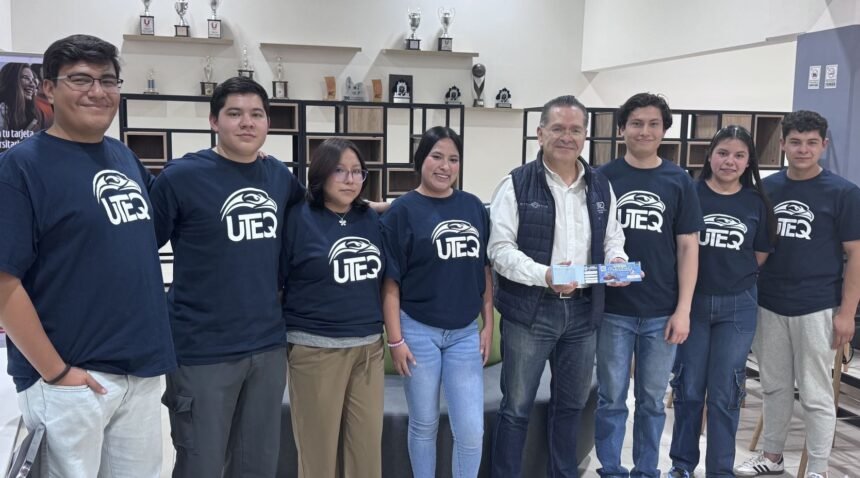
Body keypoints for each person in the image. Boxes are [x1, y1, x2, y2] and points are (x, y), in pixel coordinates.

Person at [0, 34, 175, 477]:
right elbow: (4, 283)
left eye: (108, 80)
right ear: (48, 88)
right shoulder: (21, 167)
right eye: (80, 79)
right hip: (70, 381)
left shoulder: (123, 157)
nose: (98, 91)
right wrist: (57, 373)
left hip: (139, 373)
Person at [149, 76, 303, 477]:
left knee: (258, 465)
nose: (247, 122)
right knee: (201, 463)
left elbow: (316, 222)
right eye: (235, 113)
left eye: (257, 114)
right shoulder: (181, 177)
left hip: (267, 347)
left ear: (268, 123)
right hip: (202, 349)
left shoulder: (279, 177)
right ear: (214, 121)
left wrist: (377, 210)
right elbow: (139, 249)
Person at [488, 95, 628, 478]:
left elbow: (612, 237)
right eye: (558, 128)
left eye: (575, 130)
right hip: (530, 311)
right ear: (540, 133)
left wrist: (616, 260)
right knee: (516, 408)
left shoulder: (600, 185)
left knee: (571, 406)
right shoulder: (515, 184)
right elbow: (499, 250)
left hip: (583, 311)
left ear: (585, 135)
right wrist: (545, 274)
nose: (567, 137)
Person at [735, 111, 860, 478]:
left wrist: (846, 313)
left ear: (824, 145)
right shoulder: (766, 188)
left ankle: (818, 469)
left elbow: (856, 255)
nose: (803, 149)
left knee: (816, 393)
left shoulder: (844, 193)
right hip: (769, 302)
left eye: (811, 143)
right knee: (773, 386)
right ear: (783, 144)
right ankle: (772, 456)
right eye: (795, 142)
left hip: (818, 306)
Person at [594, 92, 704, 478]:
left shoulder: (679, 181)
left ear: (664, 130)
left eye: (653, 124)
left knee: (652, 401)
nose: (645, 131)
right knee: (610, 398)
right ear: (622, 129)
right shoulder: (602, 177)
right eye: (637, 123)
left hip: (661, 311)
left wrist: (683, 310)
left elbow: (688, 247)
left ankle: (646, 471)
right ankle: (611, 469)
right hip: (613, 310)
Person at [381, 126, 493, 478]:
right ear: (421, 161)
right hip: (417, 330)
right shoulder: (401, 211)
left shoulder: (473, 207)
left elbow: (484, 269)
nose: (445, 166)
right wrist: (395, 340)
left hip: (464, 332)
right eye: (437, 157)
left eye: (453, 159)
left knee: (471, 430)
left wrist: (488, 324)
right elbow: (390, 281)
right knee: (424, 423)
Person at [666, 125, 775, 478]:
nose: (730, 161)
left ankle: (720, 470)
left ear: (748, 162)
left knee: (726, 393)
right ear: (710, 156)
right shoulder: (689, 192)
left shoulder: (756, 202)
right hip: (692, 304)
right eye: (723, 153)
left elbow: (759, 254)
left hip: (738, 306)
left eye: (739, 155)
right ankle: (682, 465)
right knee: (689, 389)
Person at [282, 138, 385, 478]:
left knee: (366, 456)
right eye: (340, 170)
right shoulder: (298, 218)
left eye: (357, 172)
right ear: (322, 173)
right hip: (316, 350)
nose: (350, 179)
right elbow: (277, 281)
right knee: (318, 458)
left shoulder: (369, 218)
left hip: (368, 350)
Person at [0, 62, 45, 132]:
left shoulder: (33, 115)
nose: (33, 85)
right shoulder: (2, 112)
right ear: (11, 80)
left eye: (33, 80)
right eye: (26, 78)